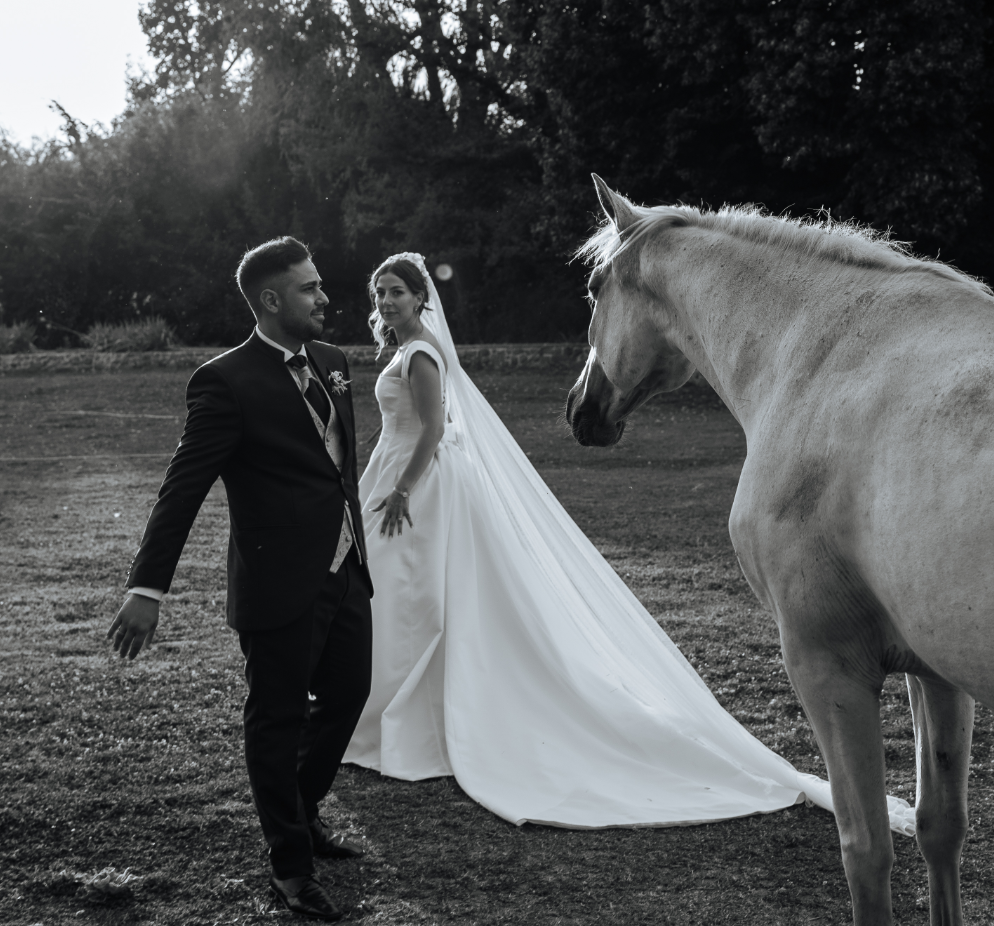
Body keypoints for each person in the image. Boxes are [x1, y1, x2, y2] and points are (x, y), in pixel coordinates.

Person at [344, 252, 912, 833]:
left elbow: (435, 428)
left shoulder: (419, 354)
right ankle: (396, 705)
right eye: (380, 292)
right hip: (405, 473)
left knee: (409, 592)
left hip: (412, 484)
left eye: (396, 291)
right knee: (404, 592)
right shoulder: (410, 349)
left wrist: (402, 490)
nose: (387, 301)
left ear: (420, 298)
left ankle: (408, 713)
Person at [106, 237, 370, 922]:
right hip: (277, 582)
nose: (324, 297)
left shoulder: (336, 364)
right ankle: (288, 868)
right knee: (276, 722)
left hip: (346, 570)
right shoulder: (224, 381)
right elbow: (182, 488)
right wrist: (147, 587)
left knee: (348, 695)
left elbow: (337, 470)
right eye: (309, 289)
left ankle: (301, 810)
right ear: (272, 300)